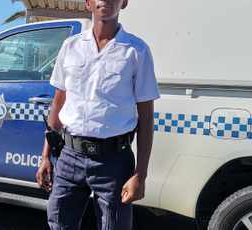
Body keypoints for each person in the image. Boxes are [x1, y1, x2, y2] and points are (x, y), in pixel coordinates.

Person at [36, 0, 160, 229]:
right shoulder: (71, 47)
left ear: (123, 3)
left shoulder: (136, 51)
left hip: (113, 161)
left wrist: (140, 175)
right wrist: (45, 156)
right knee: (58, 223)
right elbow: (58, 103)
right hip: (69, 156)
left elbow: (146, 118)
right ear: (88, 3)